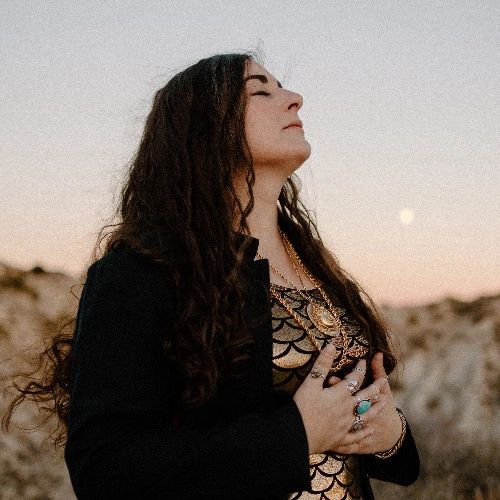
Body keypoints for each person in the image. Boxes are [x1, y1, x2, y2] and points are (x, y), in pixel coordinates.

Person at [3, 52, 419, 499]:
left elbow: (379, 449)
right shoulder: (143, 273)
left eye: (284, 88)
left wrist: (391, 437)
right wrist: (294, 436)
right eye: (260, 90)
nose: (295, 99)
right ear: (205, 127)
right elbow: (106, 469)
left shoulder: (314, 267)